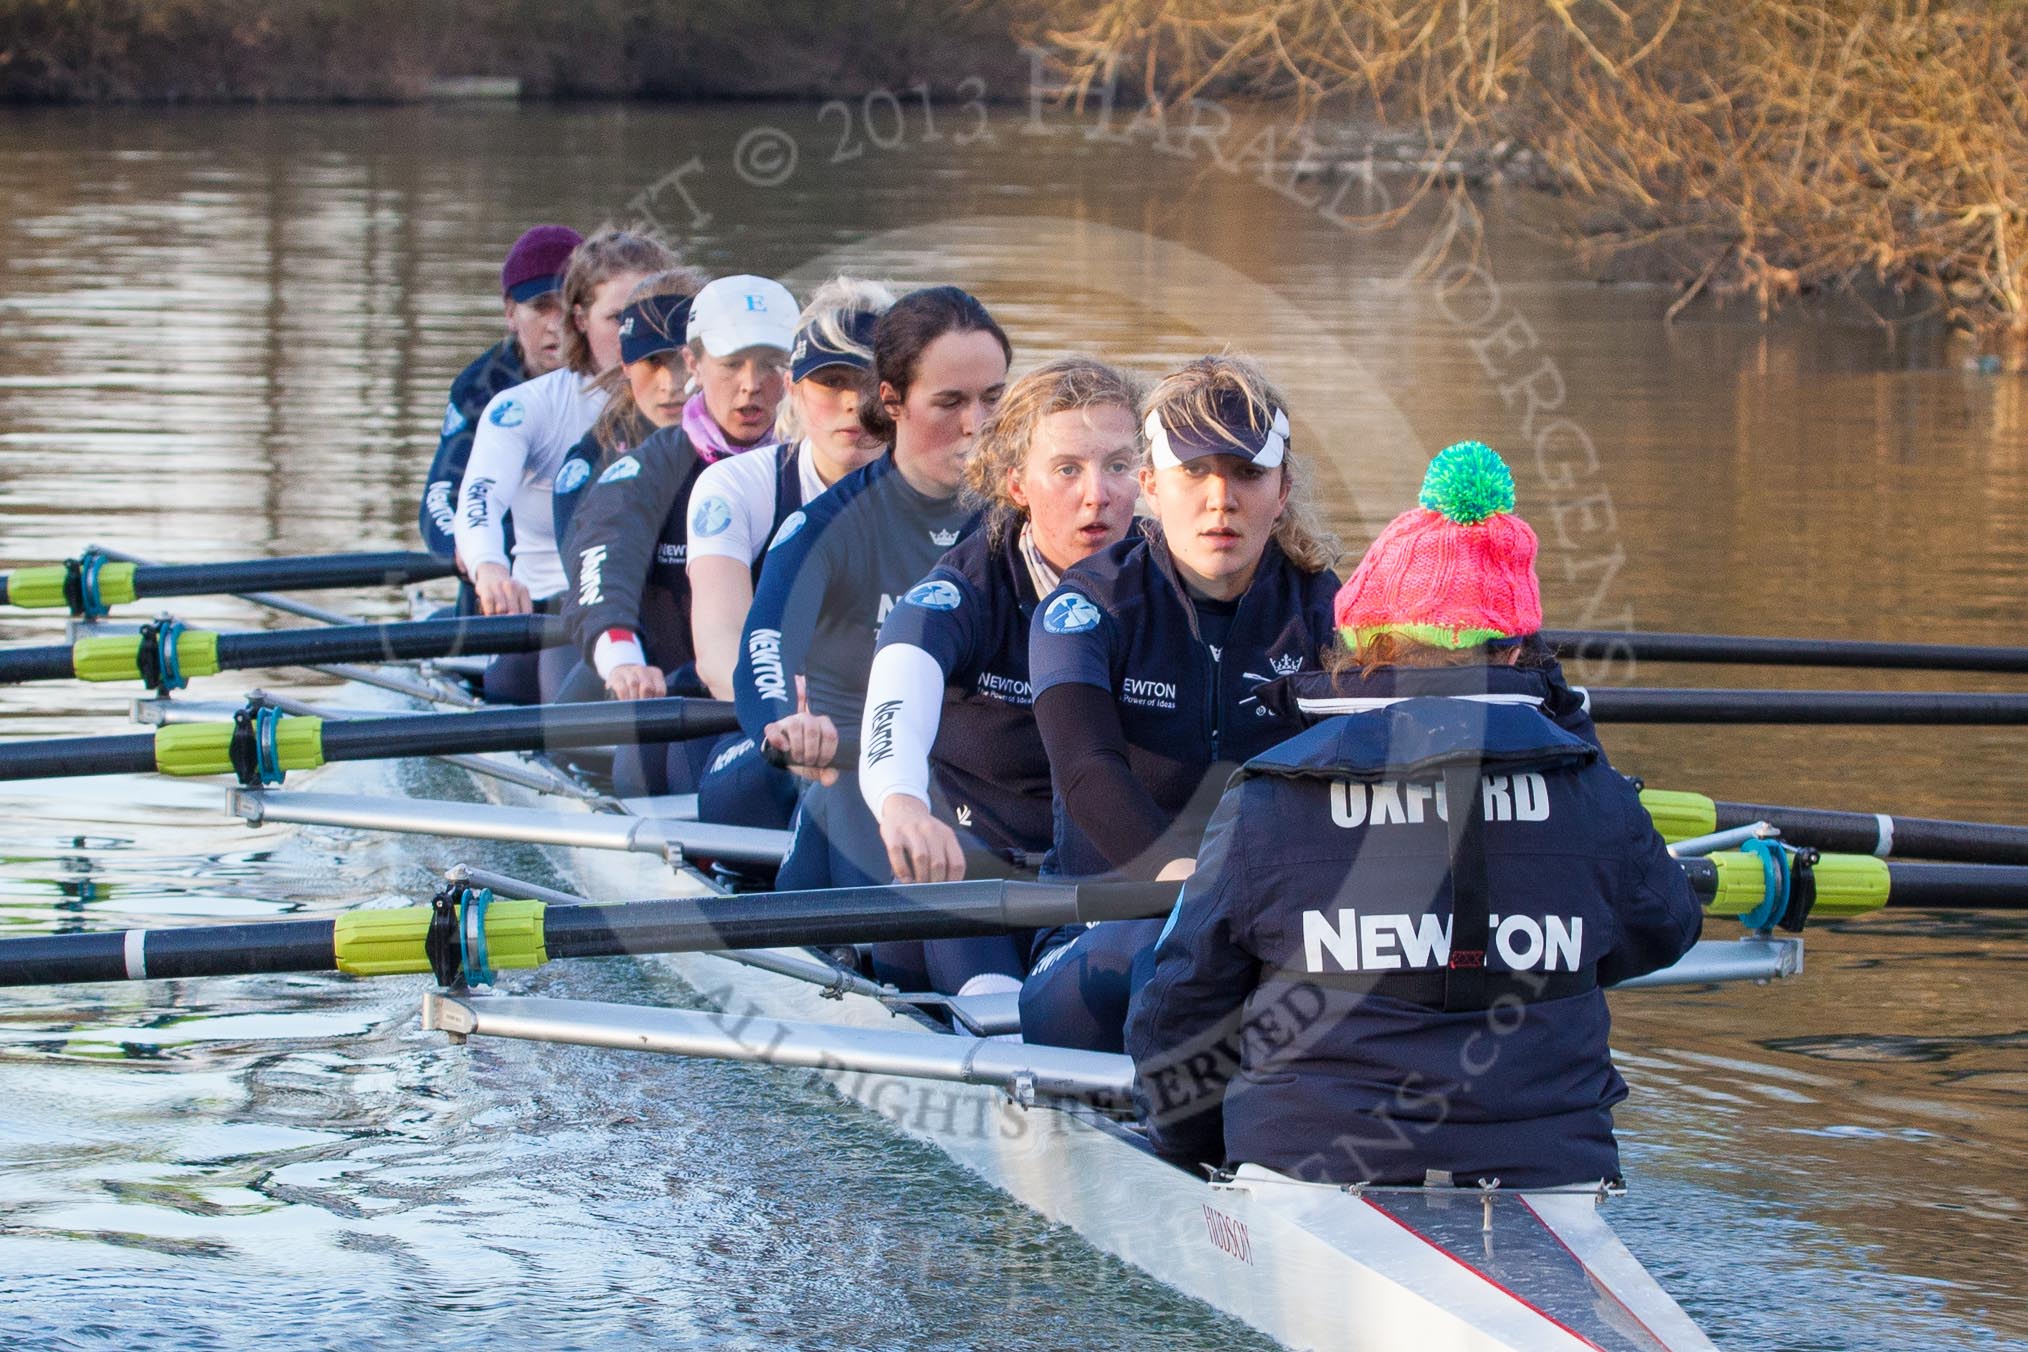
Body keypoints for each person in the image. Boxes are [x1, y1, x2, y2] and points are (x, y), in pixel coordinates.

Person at [1125, 440, 1704, 1188]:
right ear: (1522, 649)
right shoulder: (1591, 790)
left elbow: (1181, 1003)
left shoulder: (1272, 793)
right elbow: (1665, 930)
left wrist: (1190, 1148)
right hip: (1551, 1170)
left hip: (1311, 1161)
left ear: (1361, 642)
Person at [1018, 354, 1341, 1052]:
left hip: (1276, 932)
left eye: (1247, 474)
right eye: (1194, 472)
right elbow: (1085, 771)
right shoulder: (1086, 609)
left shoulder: (1328, 615)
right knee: (1176, 957)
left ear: (1282, 489)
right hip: (1099, 935)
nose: (1221, 499)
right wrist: (1184, 882)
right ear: (1149, 488)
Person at [855, 356, 1143, 994]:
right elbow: (898, 692)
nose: (1097, 494)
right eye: (1067, 469)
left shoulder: (1173, 577)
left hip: (1114, 887)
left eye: (1118, 466)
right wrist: (902, 805)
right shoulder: (964, 592)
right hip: (976, 879)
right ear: (1016, 483)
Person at [733, 286, 1009, 904]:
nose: (979, 425)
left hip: (982, 785)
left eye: (994, 398)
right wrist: (785, 723)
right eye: (950, 402)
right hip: (854, 774)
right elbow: (766, 643)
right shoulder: (829, 527)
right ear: (891, 401)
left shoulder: (1027, 521)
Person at [560, 274, 798, 796]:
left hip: (801, 712)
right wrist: (623, 659)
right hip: (676, 708)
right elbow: (602, 563)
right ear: (693, 363)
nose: (751, 384)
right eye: (732, 363)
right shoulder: (644, 472)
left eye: (771, 364)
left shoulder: (822, 468)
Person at [682, 277, 894, 828]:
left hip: (891, 734)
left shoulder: (951, 502)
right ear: (794, 391)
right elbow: (720, 644)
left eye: (871, 382)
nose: (854, 403)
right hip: (774, 729)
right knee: (748, 796)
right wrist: (786, 713)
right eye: (832, 382)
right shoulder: (738, 487)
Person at [452, 228, 677, 703]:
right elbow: (479, 500)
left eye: (653, 318)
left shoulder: (705, 408)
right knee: (519, 686)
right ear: (580, 320)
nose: (638, 335)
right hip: (555, 604)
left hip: (671, 602)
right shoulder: (527, 408)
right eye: (619, 318)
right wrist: (490, 569)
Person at [418, 223, 582, 616]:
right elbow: (441, 498)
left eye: (567, 306)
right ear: (511, 313)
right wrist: (474, 552)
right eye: (542, 307)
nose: (556, 323)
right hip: (503, 589)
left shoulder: (626, 380)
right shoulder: (480, 388)